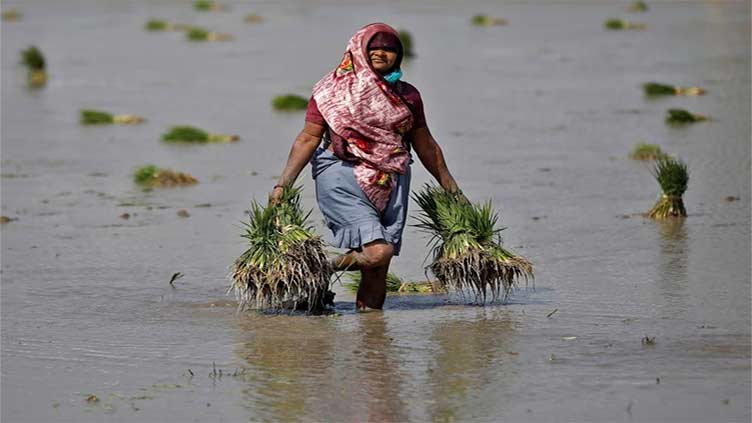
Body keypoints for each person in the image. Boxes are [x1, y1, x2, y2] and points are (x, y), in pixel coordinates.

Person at [270, 22, 463, 311]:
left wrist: (452, 189)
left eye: (390, 49)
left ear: (399, 55)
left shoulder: (408, 95)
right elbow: (309, 138)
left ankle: (372, 339)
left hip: (391, 180)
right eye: (374, 48)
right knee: (377, 252)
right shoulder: (330, 91)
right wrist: (283, 183)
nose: (382, 54)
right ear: (358, 50)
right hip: (341, 175)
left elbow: (425, 144)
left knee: (377, 268)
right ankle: (318, 268)